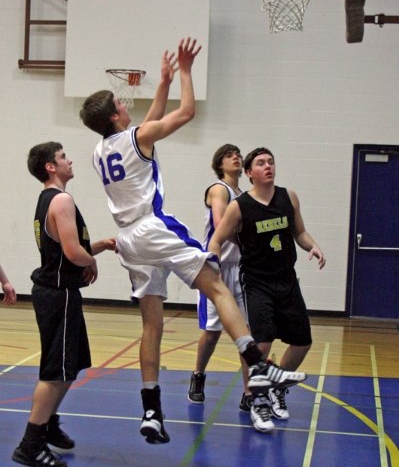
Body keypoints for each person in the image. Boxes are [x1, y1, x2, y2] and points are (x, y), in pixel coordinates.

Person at [80, 38, 307, 445]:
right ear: (115, 114)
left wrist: (162, 81)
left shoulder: (101, 149)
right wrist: (184, 71)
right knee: (218, 286)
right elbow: (185, 113)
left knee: (152, 324)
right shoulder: (136, 138)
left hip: (129, 241)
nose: (125, 103)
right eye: (120, 101)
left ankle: (151, 410)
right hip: (152, 226)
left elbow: (147, 126)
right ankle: (257, 365)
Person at [12, 142, 116, 467]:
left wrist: (102, 245)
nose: (69, 159)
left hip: (57, 291)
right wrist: (92, 262)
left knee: (69, 366)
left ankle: (48, 423)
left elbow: (68, 249)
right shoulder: (61, 199)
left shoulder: (49, 201)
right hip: (59, 294)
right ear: (50, 168)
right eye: (62, 157)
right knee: (56, 370)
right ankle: (30, 443)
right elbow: (73, 253)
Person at [208, 147, 326, 433]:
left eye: (271, 161)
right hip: (257, 281)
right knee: (260, 344)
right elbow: (217, 239)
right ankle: (256, 401)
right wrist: (213, 267)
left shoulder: (289, 197)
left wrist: (313, 246)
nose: (268, 166)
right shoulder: (240, 206)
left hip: (287, 279)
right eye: (260, 163)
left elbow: (299, 232)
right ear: (250, 173)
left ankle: (277, 388)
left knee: (302, 341)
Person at [188, 143, 252, 414]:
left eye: (238, 154)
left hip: (243, 269)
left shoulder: (245, 195)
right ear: (219, 163)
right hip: (217, 268)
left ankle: (250, 392)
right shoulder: (218, 189)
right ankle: (198, 374)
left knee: (246, 333)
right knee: (212, 332)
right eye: (229, 155)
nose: (235, 157)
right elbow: (221, 223)